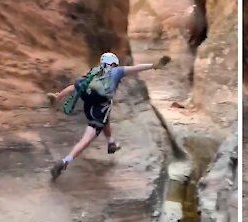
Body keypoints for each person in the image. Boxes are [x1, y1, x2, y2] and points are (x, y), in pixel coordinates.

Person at [47, 52, 170, 180]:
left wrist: (59, 96)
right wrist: (153, 65)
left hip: (89, 103)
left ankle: (111, 143)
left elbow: (74, 87)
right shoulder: (116, 71)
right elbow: (136, 68)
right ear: (113, 63)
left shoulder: (95, 72)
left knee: (104, 111)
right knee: (86, 139)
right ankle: (66, 160)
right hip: (100, 104)